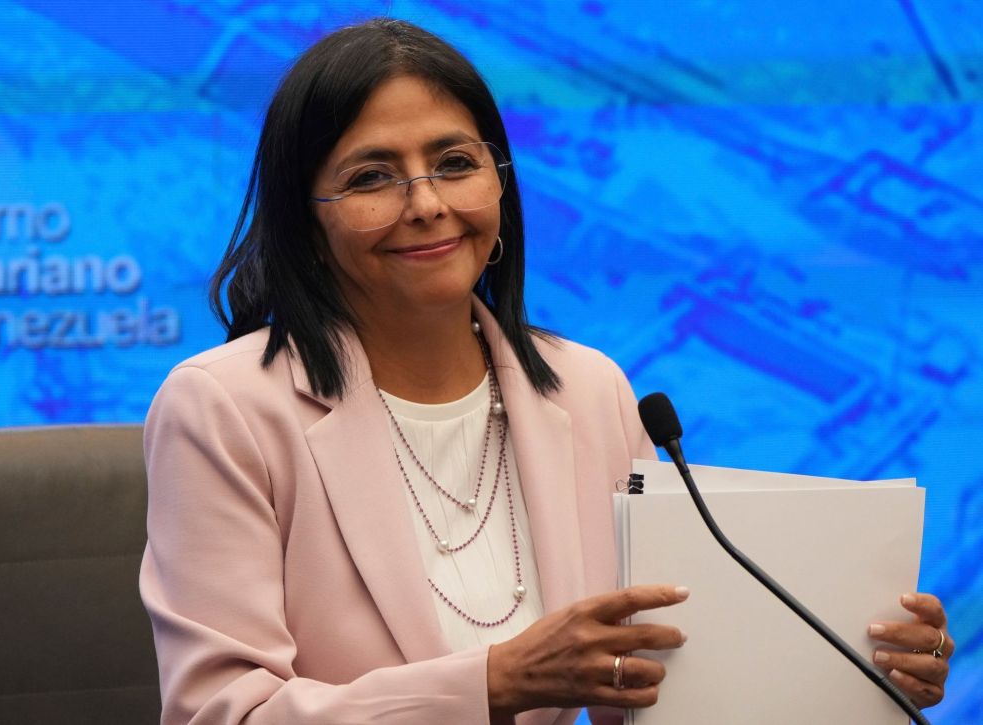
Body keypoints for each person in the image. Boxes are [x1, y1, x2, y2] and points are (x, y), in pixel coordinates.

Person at [139, 18, 953, 724]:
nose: (426, 204)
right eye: (372, 177)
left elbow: (656, 681)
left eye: (454, 162)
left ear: (499, 183)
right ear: (306, 224)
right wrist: (493, 683)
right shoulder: (224, 408)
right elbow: (222, 712)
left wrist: (855, 664)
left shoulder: (590, 388)